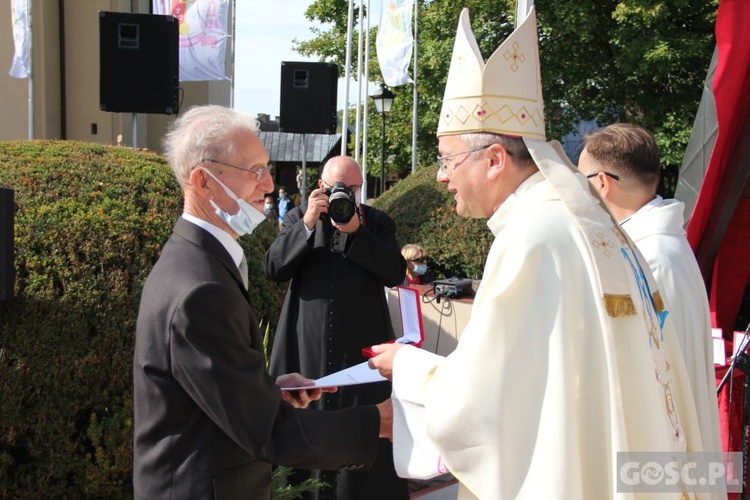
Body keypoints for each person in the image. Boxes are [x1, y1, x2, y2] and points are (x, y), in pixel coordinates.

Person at [370, 8, 715, 499]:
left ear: (494, 160)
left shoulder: (534, 234)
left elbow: (486, 400)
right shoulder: (582, 220)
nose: (441, 175)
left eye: (447, 159)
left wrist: (407, 366)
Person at [133, 105, 390, 499]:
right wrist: (377, 422)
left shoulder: (198, 260)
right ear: (203, 181)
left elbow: (213, 390)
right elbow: (269, 431)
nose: (269, 184)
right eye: (254, 170)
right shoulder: (200, 287)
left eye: (267, 168)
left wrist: (266, 390)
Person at [264, 155, 408, 499]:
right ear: (320, 188)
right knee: (306, 421)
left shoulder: (377, 221)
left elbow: (395, 272)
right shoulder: (300, 217)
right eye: (336, 188)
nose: (345, 194)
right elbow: (273, 267)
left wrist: (358, 233)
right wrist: (309, 223)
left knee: (362, 423)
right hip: (304, 345)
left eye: (353, 189)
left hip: (361, 346)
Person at [578, 122, 721, 452]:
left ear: (601, 183)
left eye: (579, 180)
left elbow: (648, 377)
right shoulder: (664, 242)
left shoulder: (645, 256)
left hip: (661, 453)